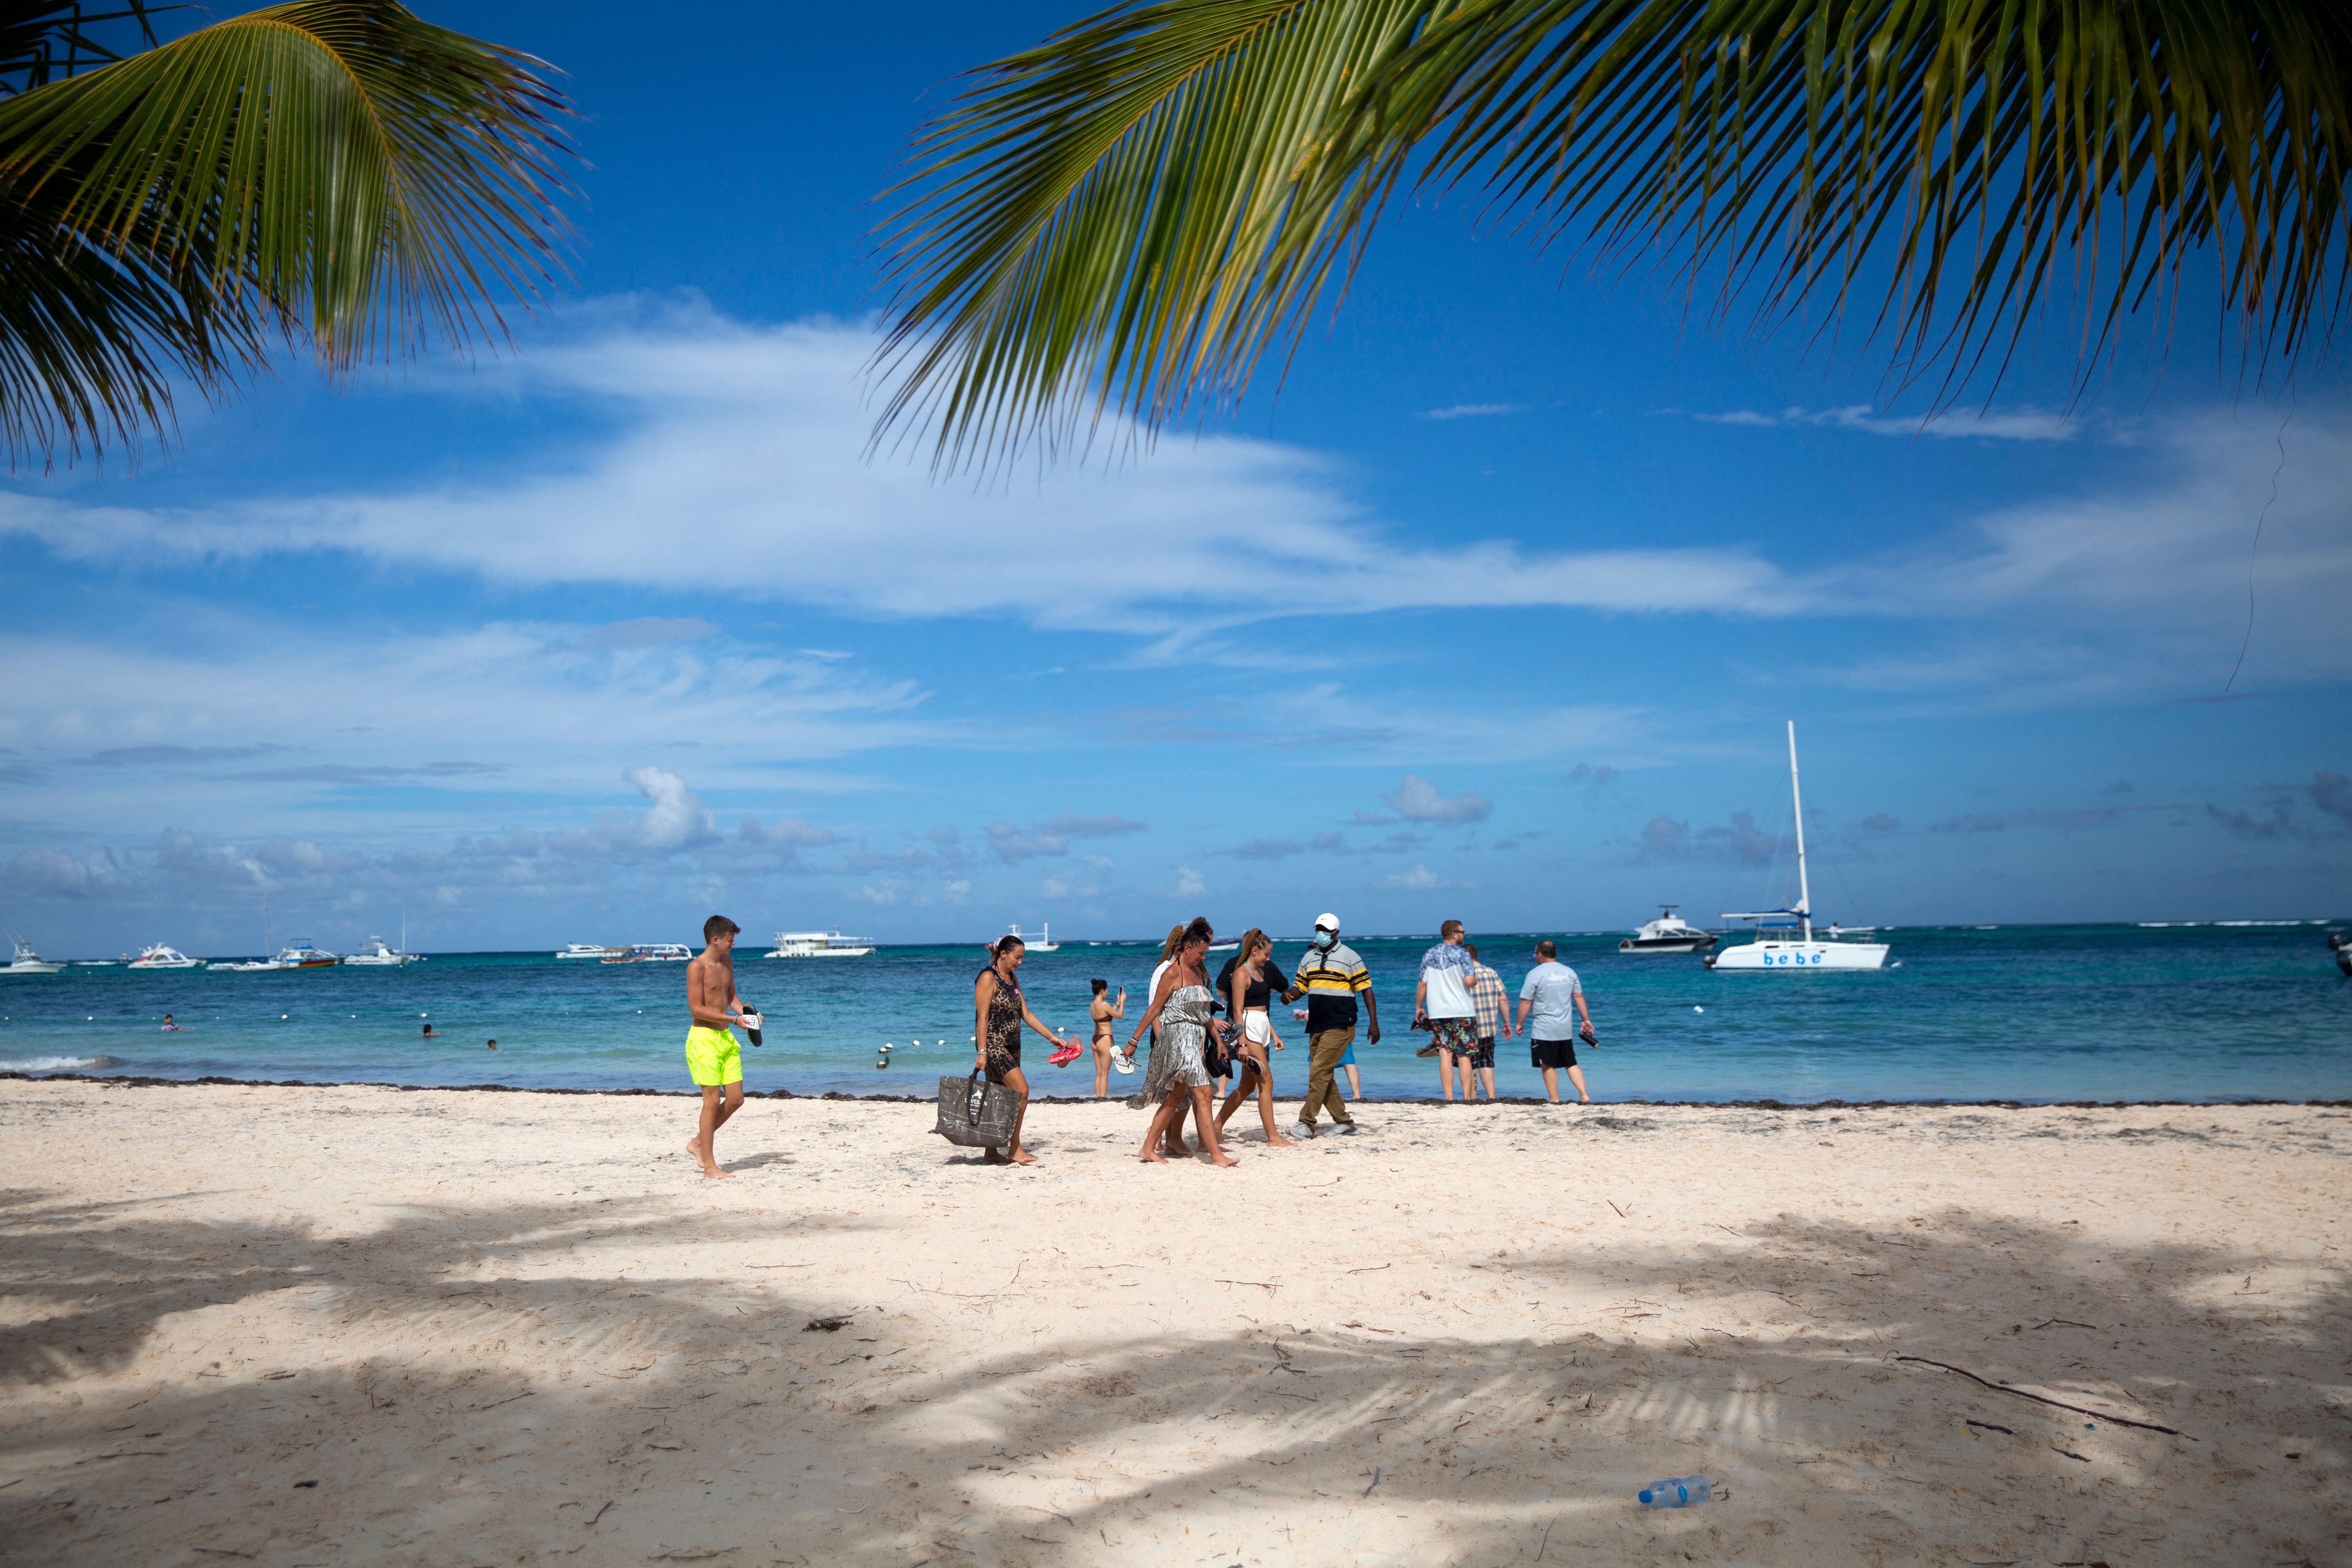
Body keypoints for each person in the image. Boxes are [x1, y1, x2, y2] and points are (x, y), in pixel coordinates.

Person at [1127, 918, 1239, 1167]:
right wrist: (1134, 1041)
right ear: (1187, 948)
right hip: (1177, 1040)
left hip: (1196, 1039)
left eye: (1206, 952)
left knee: (1176, 1097)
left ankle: (1148, 1148)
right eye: (1201, 952)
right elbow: (1154, 1010)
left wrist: (1219, 1043)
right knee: (1204, 1093)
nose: (1204, 957)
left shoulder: (1198, 972)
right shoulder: (1170, 973)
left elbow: (1204, 1014)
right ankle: (1216, 1156)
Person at [972, 935, 1068, 1165]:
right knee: (1022, 1092)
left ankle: (991, 1151)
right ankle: (1015, 1148)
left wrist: (1052, 1038)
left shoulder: (1012, 978)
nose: (1020, 962)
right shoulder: (988, 977)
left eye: (1022, 958)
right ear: (1003, 954)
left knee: (999, 1097)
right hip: (994, 1047)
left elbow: (1025, 1013)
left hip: (1013, 1045)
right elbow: (982, 1018)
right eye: (1018, 957)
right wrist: (982, 1052)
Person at [1285, 912, 1377, 1138]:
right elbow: (1301, 987)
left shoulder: (1350, 956)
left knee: (1319, 1072)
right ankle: (1344, 1122)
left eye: (1326, 931)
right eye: (1318, 929)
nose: (1321, 934)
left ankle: (1307, 1123)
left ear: (1335, 933)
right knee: (1322, 1074)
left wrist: (1374, 1023)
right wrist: (1290, 995)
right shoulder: (1309, 958)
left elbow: (1366, 989)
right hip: (1316, 1023)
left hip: (1341, 1023)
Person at [684, 915, 760, 1180]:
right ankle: (710, 1167)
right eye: (730, 939)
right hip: (703, 1039)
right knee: (712, 1101)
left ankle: (697, 1143)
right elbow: (697, 1009)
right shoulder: (697, 967)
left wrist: (750, 1017)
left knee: (737, 1099)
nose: (733, 944)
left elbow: (732, 998)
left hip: (726, 1038)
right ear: (715, 940)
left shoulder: (727, 962)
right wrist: (733, 1019)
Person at [1214, 930, 1296, 1147]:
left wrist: (1274, 1033)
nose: (1268, 959)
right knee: (1266, 1082)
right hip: (1248, 1029)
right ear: (1255, 950)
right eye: (1266, 955)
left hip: (1261, 1026)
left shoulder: (1259, 971)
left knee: (1247, 1086)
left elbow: (1263, 1010)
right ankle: (1273, 1137)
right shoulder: (1242, 973)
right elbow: (1238, 1011)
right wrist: (1241, 1042)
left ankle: (1216, 1126)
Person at [1517, 939, 1597, 1104]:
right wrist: (1586, 1019)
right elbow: (1579, 997)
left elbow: (1526, 1002)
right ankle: (1584, 1095)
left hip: (1544, 1029)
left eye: (1535, 954)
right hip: (1564, 1028)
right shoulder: (1569, 972)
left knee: (1546, 1064)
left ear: (1540, 954)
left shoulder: (1535, 974)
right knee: (1571, 1062)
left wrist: (1519, 1023)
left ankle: (1554, 1099)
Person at [1416, 920, 1481, 1100]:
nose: (1464, 934)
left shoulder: (1429, 954)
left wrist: (1419, 1007)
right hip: (1462, 1010)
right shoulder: (1463, 954)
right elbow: (1469, 981)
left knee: (1445, 1053)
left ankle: (1449, 1098)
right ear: (1454, 934)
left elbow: (1422, 983)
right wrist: (1475, 981)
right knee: (1464, 1055)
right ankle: (1467, 1098)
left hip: (1438, 1011)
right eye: (1462, 931)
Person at [1464, 942, 1513, 1100]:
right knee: (1486, 1062)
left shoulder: (1461, 974)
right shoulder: (1491, 972)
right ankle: (1492, 1097)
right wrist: (1507, 1024)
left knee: (1469, 1063)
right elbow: (1503, 999)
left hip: (1467, 1026)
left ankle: (1471, 1098)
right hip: (1489, 1026)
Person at [1087, 978, 1127, 1098]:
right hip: (1105, 1039)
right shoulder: (1105, 1005)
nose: (1108, 993)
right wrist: (1123, 1002)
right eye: (1107, 990)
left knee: (1099, 1073)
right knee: (1105, 1074)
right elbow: (1119, 1016)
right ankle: (1102, 1098)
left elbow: (1108, 1015)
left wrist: (1117, 1003)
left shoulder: (1093, 1005)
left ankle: (1098, 1097)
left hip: (1095, 1039)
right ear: (1103, 991)